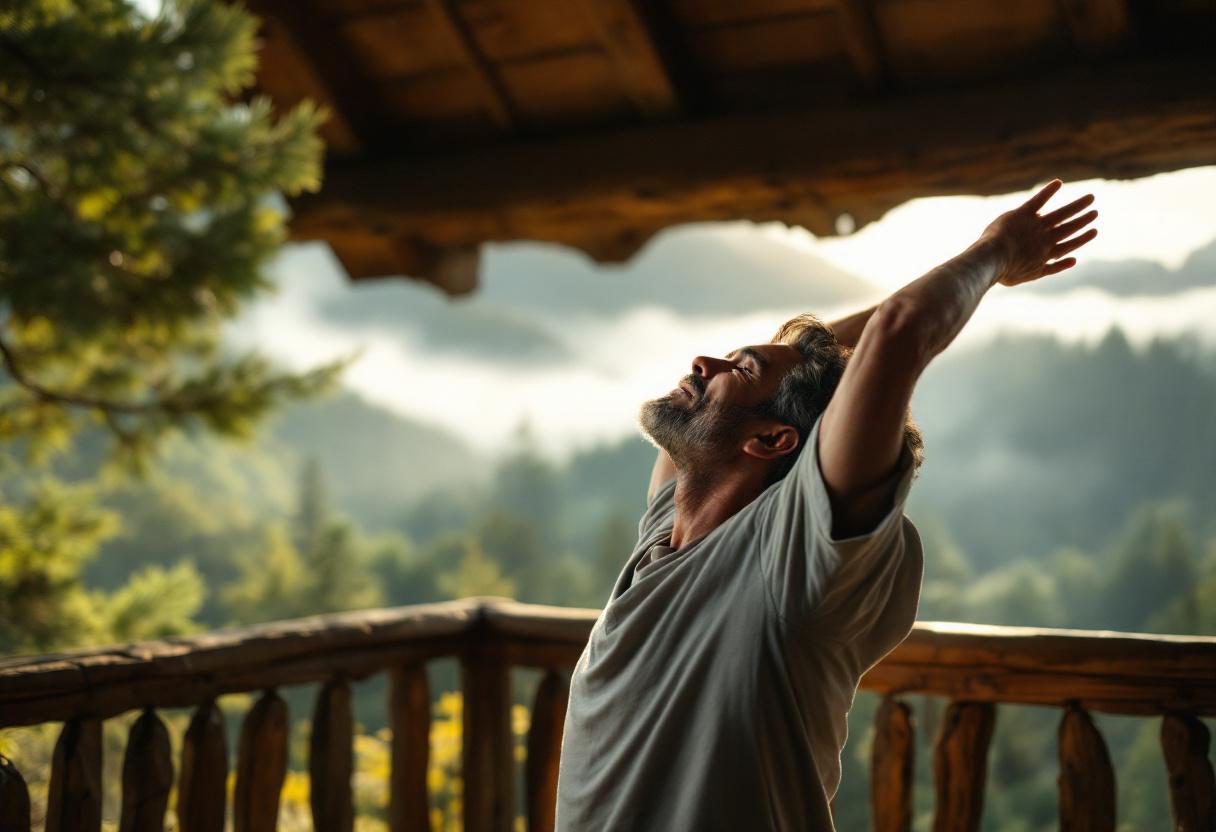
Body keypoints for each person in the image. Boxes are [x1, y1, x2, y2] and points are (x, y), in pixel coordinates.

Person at [553, 179, 1099, 830]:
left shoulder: (796, 554)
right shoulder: (663, 532)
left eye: (738, 370)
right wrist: (789, 363)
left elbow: (894, 338)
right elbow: (838, 360)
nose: (701, 361)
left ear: (773, 440)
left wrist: (999, 252)